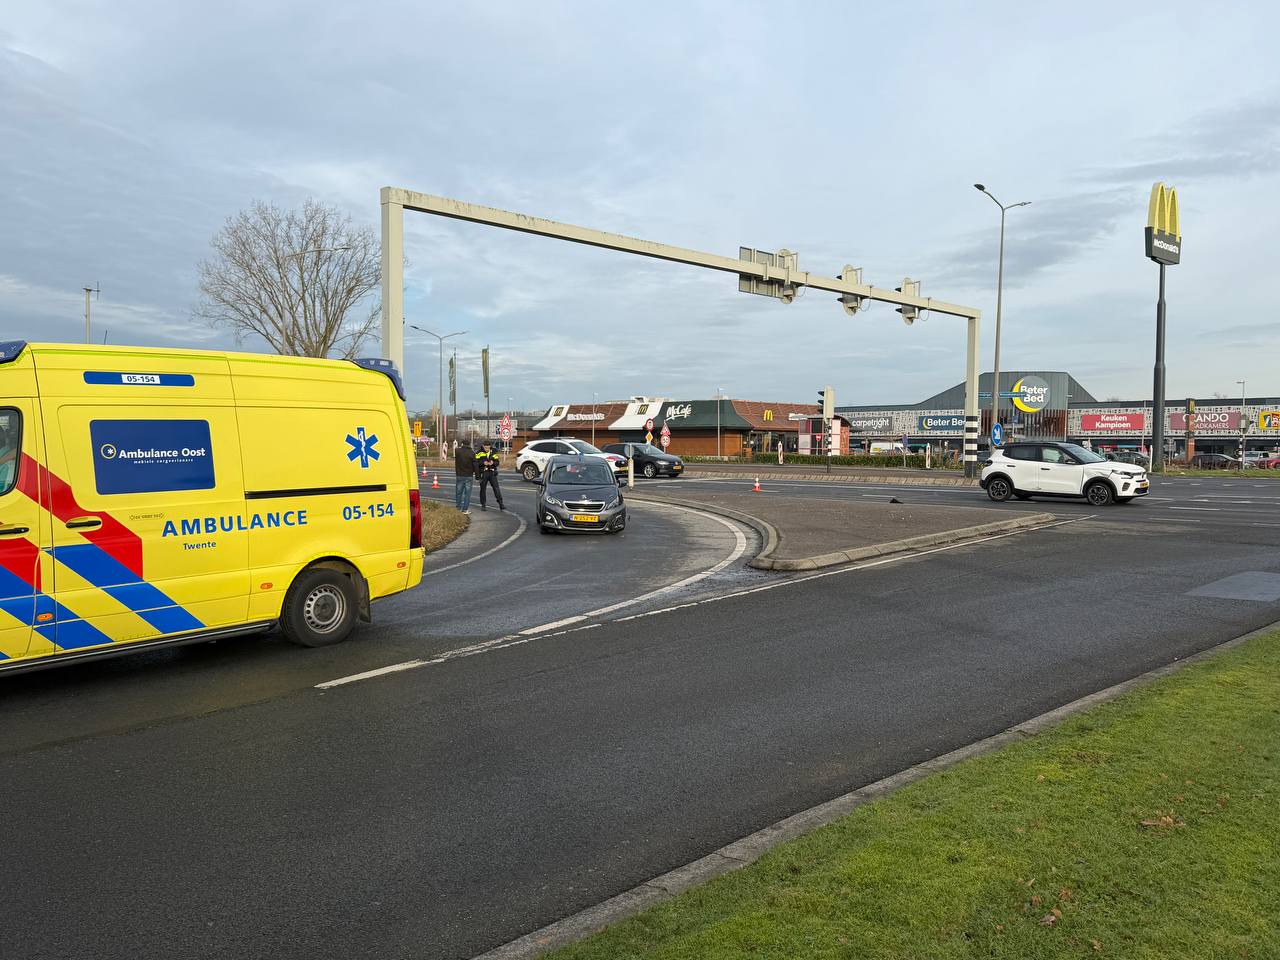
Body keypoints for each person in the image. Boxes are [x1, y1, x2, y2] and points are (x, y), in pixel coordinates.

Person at [475, 440, 505, 512]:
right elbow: (476, 463)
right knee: (483, 489)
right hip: (483, 473)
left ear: (490, 446)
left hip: (492, 472)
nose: (487, 449)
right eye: (485, 447)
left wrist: (493, 462)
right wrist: (483, 463)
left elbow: (497, 462)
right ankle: (483, 505)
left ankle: (501, 503)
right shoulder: (478, 453)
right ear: (483, 446)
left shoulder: (493, 452)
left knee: (496, 488)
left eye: (488, 447)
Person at [454, 438, 475, 514]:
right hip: (469, 475)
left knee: (458, 492)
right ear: (469, 444)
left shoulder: (457, 451)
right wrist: (477, 475)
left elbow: (456, 450)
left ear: (462, 444)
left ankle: (458, 508)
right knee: (467, 494)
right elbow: (475, 464)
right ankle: (465, 509)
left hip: (459, 475)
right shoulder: (472, 453)